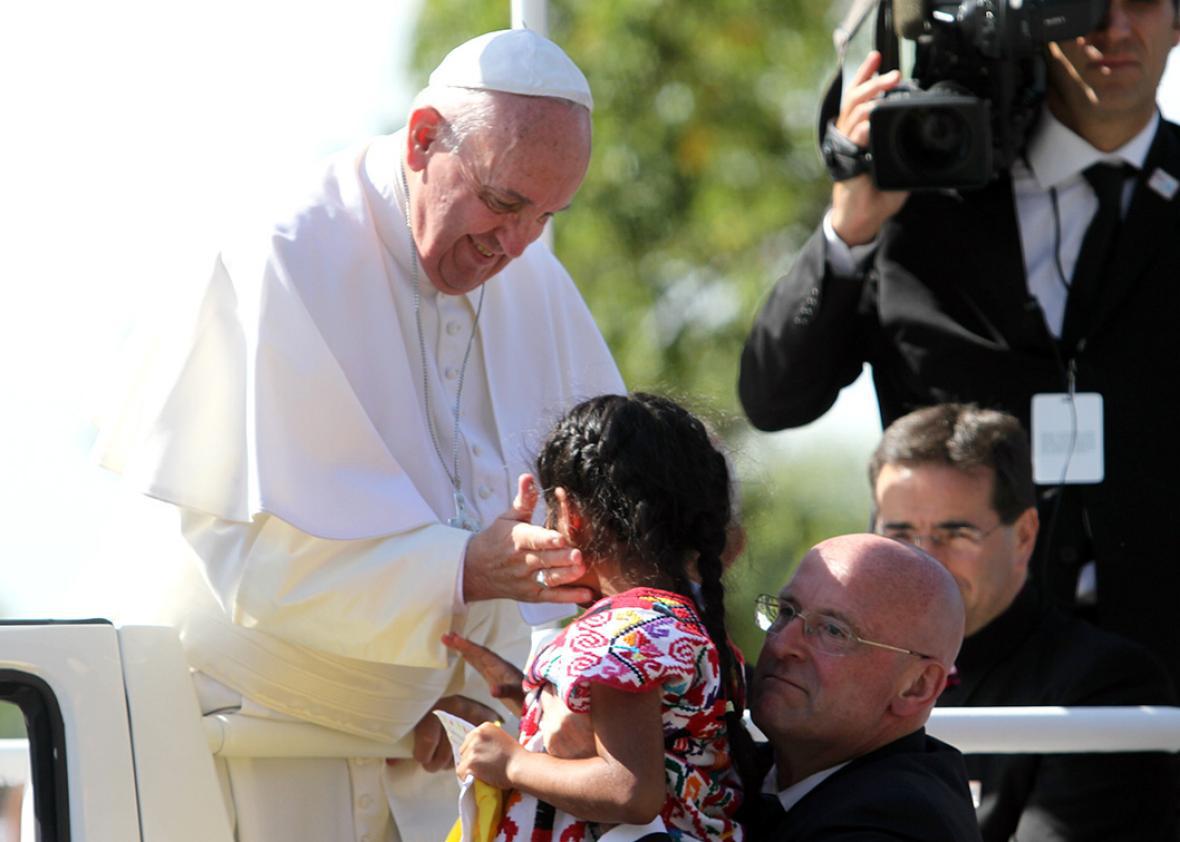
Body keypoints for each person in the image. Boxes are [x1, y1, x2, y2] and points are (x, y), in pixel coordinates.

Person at [98, 29, 624, 842]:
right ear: (423, 141)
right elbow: (258, 563)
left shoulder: (535, 277)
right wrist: (461, 570)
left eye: (548, 216)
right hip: (255, 746)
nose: (518, 246)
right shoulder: (284, 255)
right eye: (505, 201)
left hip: (436, 763)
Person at [739, 1, 1180, 687]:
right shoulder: (920, 190)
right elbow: (774, 396)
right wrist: (848, 230)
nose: (1114, 29)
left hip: (1163, 671)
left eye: (1143, 1)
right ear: (1035, 21)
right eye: (1085, 3)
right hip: (944, 673)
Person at [871, 402, 1177, 841]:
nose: (924, 560)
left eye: (956, 534)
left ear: (1026, 535)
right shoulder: (843, 668)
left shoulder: (1105, 686)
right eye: (899, 535)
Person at [452, 393, 752, 841]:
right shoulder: (673, 623)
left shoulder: (622, 634)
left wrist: (513, 763)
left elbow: (630, 789)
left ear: (571, 515)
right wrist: (531, 696)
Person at [745, 533, 982, 841]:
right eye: (786, 611)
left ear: (917, 686)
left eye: (833, 631)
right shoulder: (742, 767)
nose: (782, 644)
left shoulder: (897, 827)